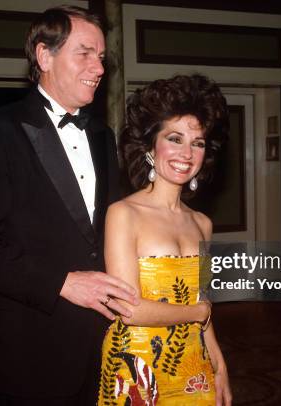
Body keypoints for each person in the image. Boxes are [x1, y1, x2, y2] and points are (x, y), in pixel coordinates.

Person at [0, 6, 138, 405]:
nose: (99, 68)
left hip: (102, 345)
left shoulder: (102, 135)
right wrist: (62, 282)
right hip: (32, 353)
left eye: (102, 57)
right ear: (44, 56)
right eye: (85, 53)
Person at [98, 74, 232, 405]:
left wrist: (219, 365)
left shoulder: (203, 223)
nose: (186, 153)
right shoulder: (123, 214)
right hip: (136, 368)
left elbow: (205, 308)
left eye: (197, 143)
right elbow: (128, 310)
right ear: (150, 146)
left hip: (192, 364)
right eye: (175, 138)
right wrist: (197, 313)